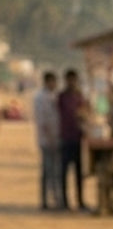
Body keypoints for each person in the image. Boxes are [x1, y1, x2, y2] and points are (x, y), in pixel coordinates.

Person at [57, 68, 89, 211]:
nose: (72, 82)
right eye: (69, 80)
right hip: (65, 137)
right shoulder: (62, 97)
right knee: (64, 172)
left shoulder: (79, 96)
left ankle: (80, 201)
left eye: (73, 80)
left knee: (79, 172)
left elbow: (85, 113)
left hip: (78, 137)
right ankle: (64, 201)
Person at [32, 71, 61, 210]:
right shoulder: (40, 97)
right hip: (47, 140)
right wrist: (50, 139)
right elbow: (42, 121)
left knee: (55, 171)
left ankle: (55, 198)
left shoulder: (54, 95)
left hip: (56, 138)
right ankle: (45, 200)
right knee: (47, 170)